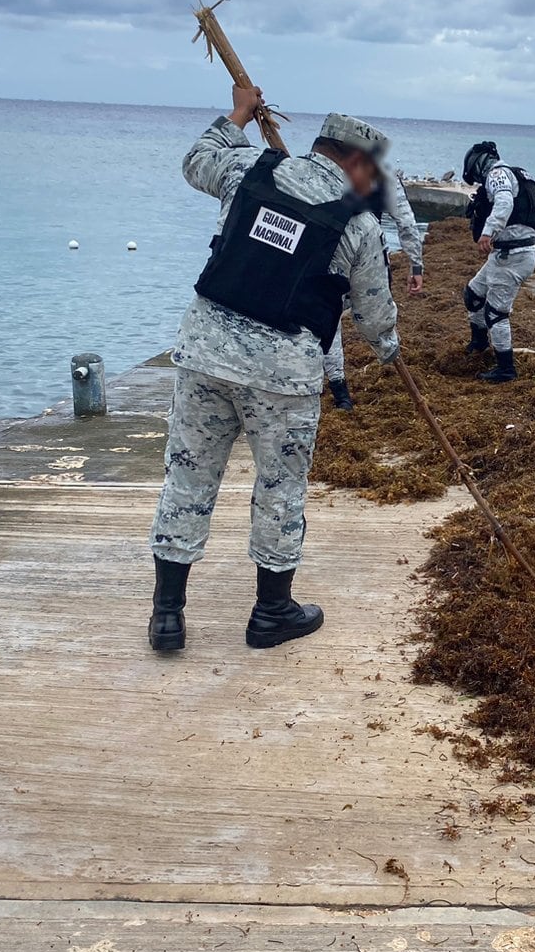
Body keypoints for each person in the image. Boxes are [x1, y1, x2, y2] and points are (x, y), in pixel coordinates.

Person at [147, 85, 400, 652]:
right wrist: (389, 347)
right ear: (356, 162)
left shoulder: (249, 170)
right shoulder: (359, 224)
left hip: (205, 355)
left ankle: (167, 616)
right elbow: (373, 312)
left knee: (187, 478)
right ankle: (271, 613)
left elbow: (196, 159)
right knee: (280, 488)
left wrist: (238, 111)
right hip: (282, 378)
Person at [322, 173, 425, 409]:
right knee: (373, 320)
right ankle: (344, 391)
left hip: (329, 254)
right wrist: (416, 265)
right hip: (370, 258)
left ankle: (340, 391)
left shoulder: (326, 168)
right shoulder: (383, 175)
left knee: (329, 318)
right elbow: (406, 222)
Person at [461, 141, 535, 383]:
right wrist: (532, 245)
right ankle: (479, 343)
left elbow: (504, 202)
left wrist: (488, 232)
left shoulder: (497, 175)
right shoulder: (521, 176)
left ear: (479, 164)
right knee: (473, 295)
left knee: (496, 312)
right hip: (513, 254)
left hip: (511, 256)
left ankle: (505, 368)